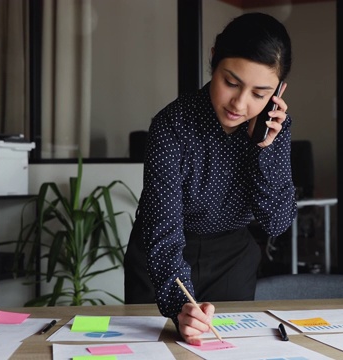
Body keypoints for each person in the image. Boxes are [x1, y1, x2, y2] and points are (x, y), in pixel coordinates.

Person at [123, 12, 296, 345]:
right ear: (214, 58)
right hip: (162, 254)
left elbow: (275, 223)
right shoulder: (172, 125)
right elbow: (163, 228)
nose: (240, 103)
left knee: (224, 350)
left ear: (278, 90)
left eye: (260, 94)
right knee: (153, 350)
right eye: (231, 82)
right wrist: (179, 306)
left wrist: (266, 148)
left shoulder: (275, 129)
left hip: (232, 256)